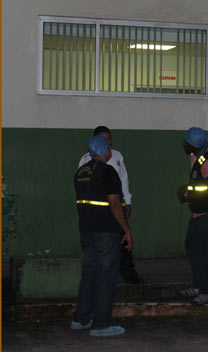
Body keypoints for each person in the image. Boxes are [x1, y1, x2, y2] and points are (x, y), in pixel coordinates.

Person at [72, 135, 132, 336]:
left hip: (86, 231)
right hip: (106, 232)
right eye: (108, 148)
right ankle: (101, 324)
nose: (110, 151)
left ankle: (81, 319)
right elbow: (114, 204)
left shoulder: (80, 172)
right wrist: (126, 229)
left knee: (89, 274)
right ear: (104, 151)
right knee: (106, 276)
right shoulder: (108, 172)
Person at [78, 126, 143, 284]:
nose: (108, 143)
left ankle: (129, 275)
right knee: (101, 248)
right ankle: (102, 280)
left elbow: (124, 180)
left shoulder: (117, 156)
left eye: (109, 138)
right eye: (103, 139)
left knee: (123, 241)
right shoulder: (86, 161)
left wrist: (127, 201)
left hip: (116, 205)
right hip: (100, 212)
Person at [177, 127, 208, 306]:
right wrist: (189, 192)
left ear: (194, 145)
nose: (183, 144)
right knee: (193, 248)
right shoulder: (196, 158)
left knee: (207, 253)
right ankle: (198, 286)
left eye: (186, 142)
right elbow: (200, 185)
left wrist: (188, 192)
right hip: (199, 213)